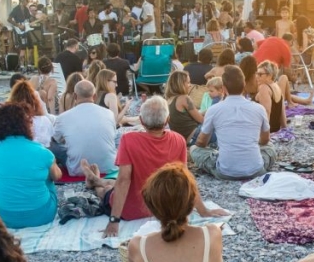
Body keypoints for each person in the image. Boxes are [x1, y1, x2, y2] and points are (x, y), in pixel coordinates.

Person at [81, 96, 227, 238]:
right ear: (167, 120)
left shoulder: (129, 140)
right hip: (165, 208)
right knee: (114, 184)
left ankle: (95, 183)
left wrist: (114, 221)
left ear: (142, 121)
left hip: (132, 210)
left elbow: (124, 180)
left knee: (106, 191)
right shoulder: (178, 140)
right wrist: (203, 210)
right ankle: (96, 180)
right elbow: (185, 180)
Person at [190, 66, 277, 180]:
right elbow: (265, 140)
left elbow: (201, 142)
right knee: (270, 147)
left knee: (194, 150)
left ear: (224, 88)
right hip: (256, 169)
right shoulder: (259, 109)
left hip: (225, 171)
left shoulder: (214, 110)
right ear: (244, 84)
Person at [0, 104, 60, 229]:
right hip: (42, 215)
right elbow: (57, 176)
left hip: (3, 216)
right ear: (27, 125)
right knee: (47, 178)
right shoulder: (43, 152)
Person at [50, 79, 117, 176]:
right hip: (108, 167)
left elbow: (55, 139)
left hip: (77, 170)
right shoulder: (109, 113)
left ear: (75, 96)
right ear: (94, 96)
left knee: (52, 144)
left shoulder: (63, 117)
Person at [7, 81, 56, 148]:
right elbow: (51, 139)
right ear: (34, 102)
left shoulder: (9, 121)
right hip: (42, 153)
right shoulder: (44, 120)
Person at [164, 70, 204, 142]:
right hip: (195, 136)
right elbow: (201, 120)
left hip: (182, 139)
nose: (190, 85)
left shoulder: (168, 100)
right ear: (180, 84)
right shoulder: (184, 98)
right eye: (188, 82)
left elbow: (185, 117)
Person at [254, 61, 286, 133]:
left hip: (267, 131)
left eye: (260, 74)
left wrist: (264, 136)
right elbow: (282, 112)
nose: (257, 76)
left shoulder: (264, 88)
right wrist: (284, 129)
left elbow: (266, 112)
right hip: (275, 128)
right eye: (256, 73)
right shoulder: (276, 86)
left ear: (270, 76)